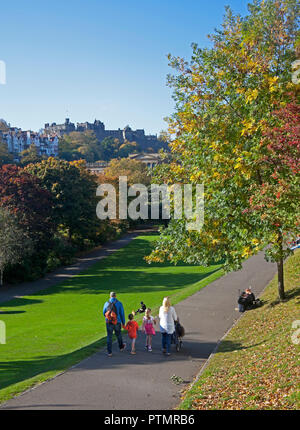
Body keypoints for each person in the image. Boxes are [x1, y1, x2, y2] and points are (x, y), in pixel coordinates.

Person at [103, 292, 126, 357]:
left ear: (110, 296)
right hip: (117, 321)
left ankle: (109, 352)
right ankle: (121, 347)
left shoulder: (106, 303)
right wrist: (123, 323)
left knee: (109, 336)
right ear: (115, 296)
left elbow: (104, 312)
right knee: (118, 335)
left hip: (109, 322)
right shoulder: (119, 303)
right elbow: (122, 314)